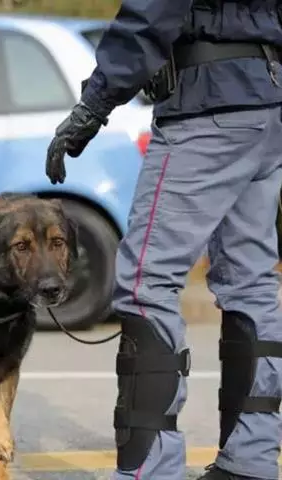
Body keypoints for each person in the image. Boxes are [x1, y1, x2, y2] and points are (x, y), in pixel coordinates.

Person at [45, 1, 282, 479]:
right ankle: (250, 463)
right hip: (267, 102)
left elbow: (153, 10)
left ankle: (149, 470)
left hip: (208, 107)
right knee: (251, 283)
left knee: (145, 282)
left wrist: (93, 105)